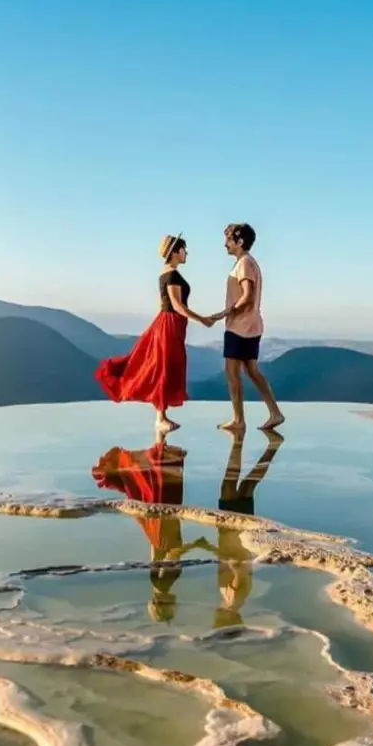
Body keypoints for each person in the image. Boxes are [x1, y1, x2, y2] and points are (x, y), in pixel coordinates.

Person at [95, 233, 214, 433]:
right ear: (175, 252)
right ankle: (160, 417)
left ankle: (162, 415)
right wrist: (202, 319)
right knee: (164, 367)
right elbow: (176, 305)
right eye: (184, 249)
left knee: (163, 365)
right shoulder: (172, 275)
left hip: (167, 323)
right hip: (170, 323)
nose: (187, 253)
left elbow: (165, 303)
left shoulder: (165, 273)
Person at [91, 432, 209, 623]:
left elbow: (173, 554)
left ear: (164, 604)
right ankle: (160, 442)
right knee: (160, 490)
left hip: (166, 532)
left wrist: (199, 544)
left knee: (166, 491)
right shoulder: (155, 581)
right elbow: (156, 551)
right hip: (159, 533)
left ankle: (161, 443)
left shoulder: (164, 583)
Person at [200, 428, 284, 628]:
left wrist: (208, 549)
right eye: (217, 621)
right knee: (230, 483)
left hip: (240, 535)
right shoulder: (234, 598)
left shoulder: (237, 599)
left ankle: (273, 447)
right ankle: (238, 439)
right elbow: (238, 567)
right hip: (232, 530)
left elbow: (232, 563)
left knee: (248, 485)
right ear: (225, 619)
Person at [208, 223, 285, 432]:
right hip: (252, 326)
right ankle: (274, 413)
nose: (225, 244)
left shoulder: (244, 264)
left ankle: (238, 420)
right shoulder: (250, 263)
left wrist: (223, 313)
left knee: (232, 372)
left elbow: (247, 296)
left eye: (228, 240)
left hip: (239, 327)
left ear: (239, 242)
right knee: (252, 370)